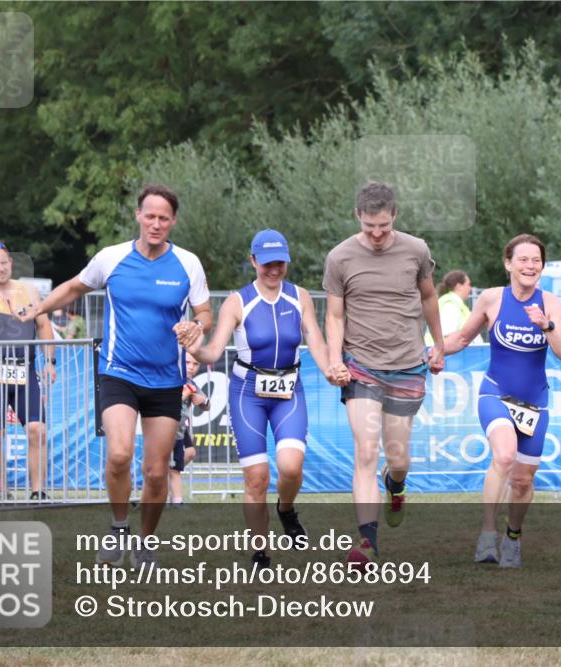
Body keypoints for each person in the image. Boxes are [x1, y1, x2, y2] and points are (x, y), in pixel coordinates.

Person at [22, 184, 213, 568]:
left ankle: (145, 542)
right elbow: (75, 288)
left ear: (174, 221)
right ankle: (118, 528)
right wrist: (37, 308)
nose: (156, 224)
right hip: (119, 373)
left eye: (164, 218)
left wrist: (197, 326)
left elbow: (205, 313)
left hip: (165, 380)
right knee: (120, 454)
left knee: (157, 473)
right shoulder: (111, 258)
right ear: (138, 216)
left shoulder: (187, 264)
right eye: (150, 215)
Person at [177, 229, 344, 569]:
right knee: (256, 478)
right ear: (253, 261)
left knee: (290, 468)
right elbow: (211, 351)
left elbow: (314, 337)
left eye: (279, 262)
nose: (273, 269)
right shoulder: (238, 302)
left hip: (288, 392)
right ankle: (261, 552)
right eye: (266, 263)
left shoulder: (299, 297)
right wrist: (192, 345)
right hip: (247, 394)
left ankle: (286, 508)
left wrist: (330, 368)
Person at [323, 181, 444, 566]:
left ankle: (397, 485)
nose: (376, 234)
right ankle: (366, 543)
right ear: (358, 215)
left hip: (408, 363)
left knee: (398, 457)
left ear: (394, 216)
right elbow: (335, 314)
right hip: (361, 366)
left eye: (384, 226)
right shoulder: (340, 257)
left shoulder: (416, 250)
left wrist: (438, 343)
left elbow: (428, 296)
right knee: (365, 451)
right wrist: (333, 359)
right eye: (369, 226)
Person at [444, 234, 561, 568]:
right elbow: (461, 338)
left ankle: (512, 537)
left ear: (542, 266)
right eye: (523, 260)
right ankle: (487, 536)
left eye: (536, 260)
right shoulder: (491, 299)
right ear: (508, 263)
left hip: (534, 403)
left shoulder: (551, 304)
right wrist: (425, 351)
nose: (530, 266)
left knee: (522, 481)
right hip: (496, 393)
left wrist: (546, 325)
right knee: (503, 456)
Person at [0, 241, 56, 501]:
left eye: (5, 262)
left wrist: (50, 361)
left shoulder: (28, 291)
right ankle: (3, 491)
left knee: (37, 429)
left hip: (25, 370)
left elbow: (44, 325)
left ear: (11, 262)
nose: (1, 268)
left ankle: (38, 491)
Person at [167, 352, 208, 508]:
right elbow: (170, 404)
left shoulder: (191, 383)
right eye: (187, 362)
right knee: (168, 467)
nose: (191, 367)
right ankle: (159, 497)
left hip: (179, 430)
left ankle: (174, 499)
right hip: (165, 428)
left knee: (177, 466)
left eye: (195, 364)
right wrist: (186, 393)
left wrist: (203, 400)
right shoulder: (171, 379)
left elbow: (206, 405)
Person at [425, 270, 477, 345]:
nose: (470, 288)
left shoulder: (455, 303)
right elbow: (448, 334)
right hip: (446, 354)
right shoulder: (450, 305)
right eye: (468, 284)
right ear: (459, 286)